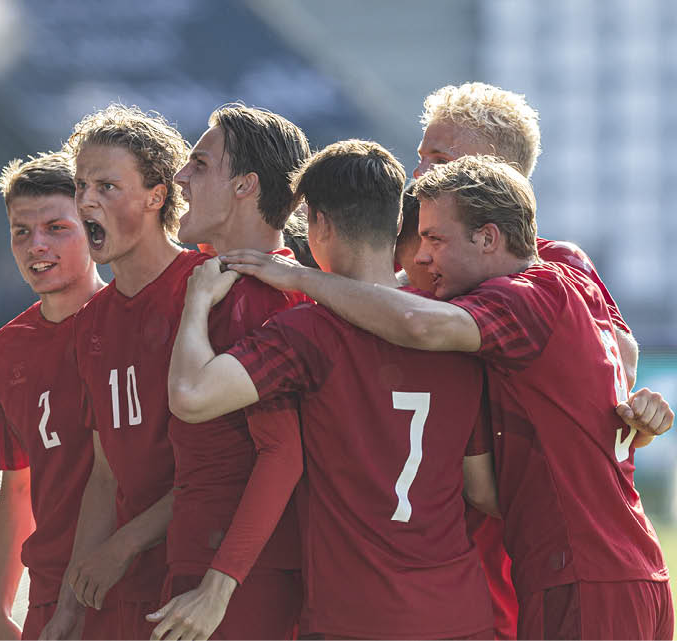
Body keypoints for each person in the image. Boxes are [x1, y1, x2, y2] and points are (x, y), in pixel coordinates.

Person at [223, 155, 672, 639]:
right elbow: (619, 364)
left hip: (581, 575)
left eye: (436, 239)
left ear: (487, 238)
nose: (420, 256)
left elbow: (419, 324)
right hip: (627, 565)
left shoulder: (522, 296)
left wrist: (303, 278)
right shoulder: (571, 281)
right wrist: (637, 421)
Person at [165, 140, 497, 639]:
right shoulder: (454, 328)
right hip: (460, 614)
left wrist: (197, 302)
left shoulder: (309, 332)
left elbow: (191, 396)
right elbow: (483, 491)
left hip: (357, 618)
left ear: (318, 223)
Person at [398, 81, 643, 639]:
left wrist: (635, 411)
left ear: (492, 172)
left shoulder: (551, 265)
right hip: (437, 536)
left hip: (527, 542)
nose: (418, 174)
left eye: (438, 158)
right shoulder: (421, 253)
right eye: (420, 157)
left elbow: (620, 356)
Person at [141, 104, 310, 640]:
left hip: (239, 585)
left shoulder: (263, 297)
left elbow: (283, 453)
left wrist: (219, 585)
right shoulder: (223, 283)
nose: (180, 176)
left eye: (200, 164)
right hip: (207, 564)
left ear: (245, 186)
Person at [40, 104, 192, 641]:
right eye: (81, 186)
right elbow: (105, 474)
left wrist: (126, 543)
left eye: (107, 186)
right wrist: (69, 608)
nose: (85, 202)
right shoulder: (92, 324)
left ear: (158, 195)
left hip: (195, 580)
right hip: (120, 583)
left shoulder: (205, 289)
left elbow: (229, 467)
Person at [0, 152, 105, 640]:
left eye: (57, 227)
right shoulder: (6, 347)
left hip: (133, 583)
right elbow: (17, 484)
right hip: (49, 592)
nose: (37, 244)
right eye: (21, 231)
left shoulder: (133, 320)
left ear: (94, 230)